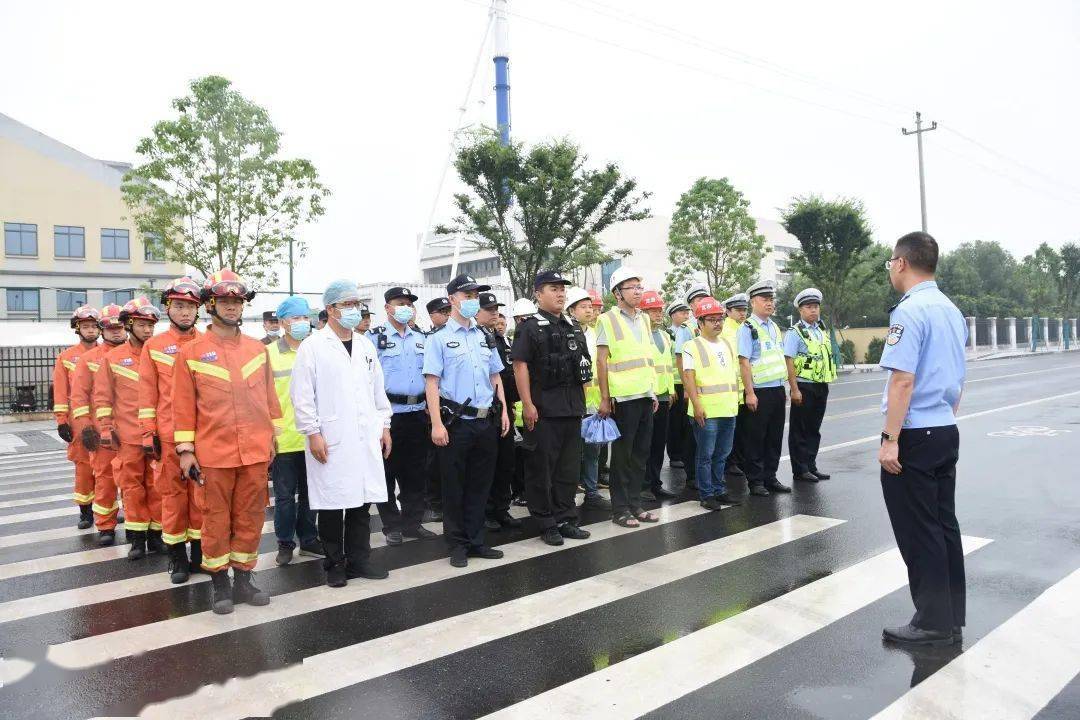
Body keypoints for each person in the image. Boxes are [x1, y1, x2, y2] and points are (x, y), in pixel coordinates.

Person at [173, 269, 282, 614]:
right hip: (214, 453)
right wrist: (186, 451)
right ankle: (219, 580)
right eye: (225, 301)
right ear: (210, 305)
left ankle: (244, 578)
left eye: (237, 301)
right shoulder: (190, 353)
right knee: (216, 517)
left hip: (253, 450)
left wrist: (273, 439)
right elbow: (182, 407)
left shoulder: (256, 350)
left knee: (250, 515)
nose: (232, 307)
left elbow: (268, 397)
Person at [878, 231, 968, 646]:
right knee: (944, 524)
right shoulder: (950, 309)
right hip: (945, 429)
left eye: (890, 264)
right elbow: (958, 373)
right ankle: (949, 615)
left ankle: (931, 621)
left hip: (914, 434)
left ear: (900, 263)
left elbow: (902, 381)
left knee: (919, 530)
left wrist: (889, 438)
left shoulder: (910, 311)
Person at [290, 280, 392, 587]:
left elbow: (377, 389)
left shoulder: (364, 344)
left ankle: (360, 560)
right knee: (333, 503)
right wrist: (312, 432)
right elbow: (302, 395)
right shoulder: (313, 346)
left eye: (355, 304)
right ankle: (334, 563)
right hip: (331, 437)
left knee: (362, 501)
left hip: (365, 435)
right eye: (346, 305)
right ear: (331, 309)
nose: (353, 310)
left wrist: (385, 425)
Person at [423, 273, 510, 568]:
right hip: (455, 422)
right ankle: (457, 544)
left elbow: (495, 375)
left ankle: (476, 540)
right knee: (454, 485)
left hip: (486, 421)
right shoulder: (439, 339)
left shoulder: (485, 336)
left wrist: (505, 411)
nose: (472, 301)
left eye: (475, 296)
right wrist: (436, 423)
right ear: (452, 300)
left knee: (480, 484)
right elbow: (432, 383)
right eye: (467, 296)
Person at [513, 270, 592, 546]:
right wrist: (527, 404)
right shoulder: (529, 326)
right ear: (538, 294)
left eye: (562, 289)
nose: (560, 293)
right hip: (543, 409)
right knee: (541, 470)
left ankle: (566, 517)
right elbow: (520, 365)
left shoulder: (572, 324)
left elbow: (582, 367)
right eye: (553, 288)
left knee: (568, 470)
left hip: (571, 408)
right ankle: (546, 522)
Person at [138, 278, 204, 582]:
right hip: (166, 436)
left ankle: (201, 555)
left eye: (191, 306)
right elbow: (147, 395)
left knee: (202, 497)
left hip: (202, 436)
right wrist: (147, 433)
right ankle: (177, 558)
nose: (185, 312)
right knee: (173, 498)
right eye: (179, 306)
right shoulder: (153, 347)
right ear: (168, 308)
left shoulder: (206, 344)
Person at [368, 287, 440, 546]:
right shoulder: (373, 338)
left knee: (416, 472)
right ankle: (392, 525)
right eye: (400, 303)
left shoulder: (422, 337)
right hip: (389, 417)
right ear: (387, 307)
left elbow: (432, 377)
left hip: (417, 414)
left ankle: (413, 522)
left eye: (409, 304)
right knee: (387, 473)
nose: (406, 308)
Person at [95, 297, 165, 560]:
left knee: (157, 486)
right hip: (128, 437)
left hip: (158, 435)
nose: (148, 330)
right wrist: (106, 428)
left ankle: (156, 536)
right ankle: (136, 539)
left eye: (151, 325)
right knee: (132, 487)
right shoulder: (113, 358)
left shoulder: (160, 354)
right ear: (129, 325)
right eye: (143, 324)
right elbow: (103, 398)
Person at [596, 267, 659, 528]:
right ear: (617, 293)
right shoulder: (606, 320)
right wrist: (604, 397)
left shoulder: (644, 319)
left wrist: (652, 391)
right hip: (622, 399)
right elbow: (601, 361)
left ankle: (635, 504)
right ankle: (619, 509)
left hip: (645, 395)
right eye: (631, 287)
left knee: (640, 455)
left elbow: (646, 357)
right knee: (621, 458)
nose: (637, 291)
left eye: (639, 287)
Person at [266, 296, 323, 566]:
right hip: (284, 439)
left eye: (304, 318)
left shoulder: (316, 349)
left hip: (313, 437)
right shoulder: (269, 354)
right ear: (282, 322)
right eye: (295, 318)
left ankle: (309, 539)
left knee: (312, 493)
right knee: (286, 497)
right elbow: (262, 399)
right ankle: (285, 543)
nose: (301, 323)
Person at [70, 304, 126, 545]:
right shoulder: (88, 359)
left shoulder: (139, 354)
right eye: (110, 328)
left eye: (120, 328)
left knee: (138, 481)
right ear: (103, 329)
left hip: (132, 431)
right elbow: (79, 397)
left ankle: (141, 530)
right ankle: (105, 526)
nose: (115, 332)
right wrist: (85, 428)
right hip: (101, 431)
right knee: (104, 478)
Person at [681, 297, 742, 509]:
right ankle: (707, 494)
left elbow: (732, 375)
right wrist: (697, 406)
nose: (718, 323)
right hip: (706, 411)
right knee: (705, 455)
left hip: (728, 408)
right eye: (712, 320)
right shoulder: (691, 345)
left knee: (722, 454)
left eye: (720, 319)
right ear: (700, 322)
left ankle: (719, 489)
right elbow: (688, 377)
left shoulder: (726, 344)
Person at [737, 280, 797, 497]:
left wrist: (787, 387)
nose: (769, 303)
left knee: (774, 436)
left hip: (776, 390)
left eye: (771, 299)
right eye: (765, 299)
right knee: (755, 437)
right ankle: (755, 481)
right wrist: (750, 393)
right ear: (753, 302)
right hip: (758, 392)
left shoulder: (773, 326)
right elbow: (744, 363)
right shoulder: (747, 328)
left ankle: (770, 477)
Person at [477, 291, 523, 532]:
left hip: (504, 410)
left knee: (506, 463)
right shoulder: (475, 338)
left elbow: (507, 376)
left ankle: (501, 508)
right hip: (483, 412)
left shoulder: (500, 339)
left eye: (497, 308)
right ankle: (484, 512)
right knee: (486, 466)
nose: (495, 312)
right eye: (490, 308)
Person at [53, 305, 101, 529]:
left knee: (107, 469)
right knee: (83, 469)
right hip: (78, 422)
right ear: (77, 328)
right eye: (86, 326)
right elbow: (61, 392)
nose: (90, 330)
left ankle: (107, 509)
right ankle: (85, 512)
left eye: (94, 326)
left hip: (105, 420)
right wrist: (62, 420)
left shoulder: (109, 354)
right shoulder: (66, 357)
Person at [784, 288, 837, 484]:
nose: (813, 310)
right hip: (803, 386)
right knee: (800, 429)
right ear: (801, 310)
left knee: (814, 428)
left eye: (816, 307)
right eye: (809, 307)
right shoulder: (794, 332)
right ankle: (800, 469)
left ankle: (811, 464)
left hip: (821, 385)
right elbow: (788, 360)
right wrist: (794, 388)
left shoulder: (821, 330)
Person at [566, 286, 610, 511]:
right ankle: (569, 493)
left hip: (593, 403)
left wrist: (605, 397)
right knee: (572, 452)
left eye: (590, 307)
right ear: (571, 310)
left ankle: (591, 491)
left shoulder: (594, 334)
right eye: (583, 307)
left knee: (593, 450)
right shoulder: (566, 332)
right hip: (573, 404)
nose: (589, 310)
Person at [673, 283, 712, 489]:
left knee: (707, 432)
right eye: (697, 300)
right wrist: (688, 389)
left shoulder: (712, 324)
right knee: (691, 434)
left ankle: (705, 473)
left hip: (710, 389)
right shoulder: (687, 328)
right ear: (690, 305)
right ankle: (691, 475)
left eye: (704, 298)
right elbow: (680, 360)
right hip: (691, 388)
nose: (701, 302)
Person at [640, 290, 678, 501]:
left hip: (664, 397)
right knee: (645, 444)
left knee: (658, 443)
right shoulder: (640, 336)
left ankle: (655, 483)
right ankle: (643, 485)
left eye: (659, 310)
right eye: (652, 310)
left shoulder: (664, 335)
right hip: (648, 397)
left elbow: (669, 366)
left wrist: (671, 389)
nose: (657, 314)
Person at [422, 296, 453, 521]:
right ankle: (433, 502)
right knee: (432, 459)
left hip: (453, 408)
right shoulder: (430, 339)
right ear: (432, 316)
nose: (447, 314)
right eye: (442, 311)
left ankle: (444, 500)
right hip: (433, 406)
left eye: (448, 310)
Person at [721, 294, 750, 481]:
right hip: (732, 387)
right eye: (738, 310)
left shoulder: (746, 328)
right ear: (728, 311)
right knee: (732, 429)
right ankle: (730, 462)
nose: (742, 313)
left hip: (746, 386)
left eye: (744, 310)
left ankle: (739, 460)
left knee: (744, 428)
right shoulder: (725, 331)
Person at [664, 299, 691, 470]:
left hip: (687, 381)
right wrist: (670, 387)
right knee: (674, 422)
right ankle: (675, 455)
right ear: (673, 315)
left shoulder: (689, 332)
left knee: (686, 422)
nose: (687, 316)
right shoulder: (668, 334)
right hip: (674, 383)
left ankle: (684, 452)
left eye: (688, 313)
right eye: (683, 313)